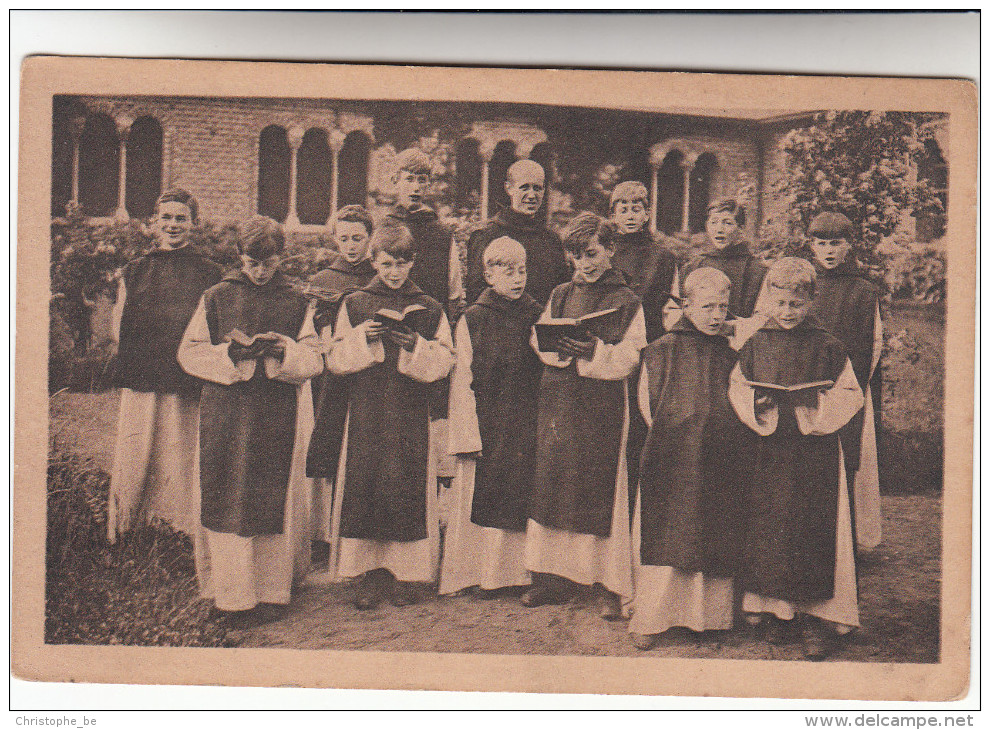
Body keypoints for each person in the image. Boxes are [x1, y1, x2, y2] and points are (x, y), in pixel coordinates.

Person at [177, 216, 324, 624]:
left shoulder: (296, 300)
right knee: (229, 493)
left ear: (281, 258)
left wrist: (286, 350)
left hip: (276, 411)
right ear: (240, 256)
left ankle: (272, 592)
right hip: (227, 411)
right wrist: (230, 356)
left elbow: (314, 358)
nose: (260, 271)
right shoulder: (217, 296)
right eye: (252, 262)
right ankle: (233, 597)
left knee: (269, 495)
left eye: (269, 262)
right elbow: (188, 353)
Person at [728, 257, 864, 660]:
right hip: (769, 449)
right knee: (771, 527)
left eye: (796, 304)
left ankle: (813, 619)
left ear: (810, 302)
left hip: (813, 452)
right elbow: (738, 387)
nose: (787, 313)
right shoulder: (756, 342)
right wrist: (759, 401)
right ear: (768, 299)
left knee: (811, 528)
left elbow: (850, 394)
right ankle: (777, 612)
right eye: (781, 303)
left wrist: (816, 404)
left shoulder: (828, 345)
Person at [324, 224, 455, 609]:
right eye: (386, 264)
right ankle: (367, 573)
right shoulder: (355, 303)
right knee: (366, 483)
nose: (394, 272)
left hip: (409, 408)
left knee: (406, 482)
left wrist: (417, 346)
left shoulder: (429, 307)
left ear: (412, 262)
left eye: (401, 264)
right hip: (366, 407)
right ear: (374, 261)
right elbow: (334, 358)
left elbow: (446, 361)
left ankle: (406, 574)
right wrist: (361, 338)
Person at [523, 212, 647, 619]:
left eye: (592, 253)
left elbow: (631, 357)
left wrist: (595, 352)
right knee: (554, 483)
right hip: (560, 399)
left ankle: (607, 581)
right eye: (577, 256)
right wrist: (557, 347)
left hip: (602, 406)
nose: (585, 264)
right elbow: (539, 338)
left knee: (598, 486)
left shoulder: (627, 301)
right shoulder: (560, 294)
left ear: (610, 249)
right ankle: (551, 576)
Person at [629, 267, 755, 650]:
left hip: (720, 456)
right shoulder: (662, 349)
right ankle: (654, 617)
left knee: (714, 530)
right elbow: (648, 404)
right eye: (707, 307)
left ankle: (710, 617)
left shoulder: (733, 352)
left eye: (723, 307)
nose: (717, 316)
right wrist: (679, 432)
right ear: (686, 305)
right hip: (674, 456)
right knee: (670, 534)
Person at [108, 188, 223, 541]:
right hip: (142, 374)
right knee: (138, 446)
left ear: (194, 225)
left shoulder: (209, 273)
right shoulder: (135, 270)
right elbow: (118, 323)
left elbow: (212, 325)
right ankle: (130, 526)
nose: (173, 225)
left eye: (181, 219)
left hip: (184, 377)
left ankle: (180, 530)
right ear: (154, 222)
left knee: (181, 449)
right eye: (167, 218)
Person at [440, 237, 544, 597]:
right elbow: (463, 379)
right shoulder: (474, 319)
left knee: (522, 494)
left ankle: (521, 574)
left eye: (522, 270)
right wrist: (468, 435)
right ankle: (484, 574)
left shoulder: (536, 314)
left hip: (527, 420)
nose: (517, 278)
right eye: (507, 270)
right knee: (482, 495)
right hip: (487, 422)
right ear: (487, 273)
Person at [382, 148, 461, 484]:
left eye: (421, 180)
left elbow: (454, 291)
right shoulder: (383, 226)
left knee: (427, 419)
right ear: (395, 181)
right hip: (385, 332)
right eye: (408, 179)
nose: (415, 187)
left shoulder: (442, 234)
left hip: (427, 333)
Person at [806, 212, 884, 550]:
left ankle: (849, 540)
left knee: (849, 461)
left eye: (835, 243)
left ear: (848, 245)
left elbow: (874, 343)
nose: (828, 251)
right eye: (821, 243)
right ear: (811, 246)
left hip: (847, 388)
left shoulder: (864, 291)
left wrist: (851, 387)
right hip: (809, 386)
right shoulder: (807, 285)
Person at [305, 205, 377, 544]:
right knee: (331, 440)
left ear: (370, 239)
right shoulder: (322, 280)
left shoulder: (379, 276)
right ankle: (325, 529)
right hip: (331, 377)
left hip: (368, 372)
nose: (351, 246)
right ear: (335, 239)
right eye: (345, 238)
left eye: (358, 239)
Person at [607, 181, 681, 505]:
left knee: (642, 433)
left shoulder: (663, 258)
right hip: (609, 352)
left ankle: (638, 514)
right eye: (622, 209)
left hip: (649, 355)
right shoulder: (605, 252)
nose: (630, 215)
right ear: (612, 214)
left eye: (636, 208)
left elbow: (673, 310)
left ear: (648, 212)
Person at [465, 159, 569, 306]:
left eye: (537, 188)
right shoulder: (486, 235)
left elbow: (562, 292)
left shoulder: (551, 239)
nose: (532, 195)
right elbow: (477, 295)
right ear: (509, 188)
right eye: (524, 188)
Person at [683, 199, 767, 320]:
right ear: (707, 225)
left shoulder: (756, 269)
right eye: (713, 222)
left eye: (727, 223)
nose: (719, 229)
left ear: (741, 228)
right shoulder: (693, 266)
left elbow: (760, 317)